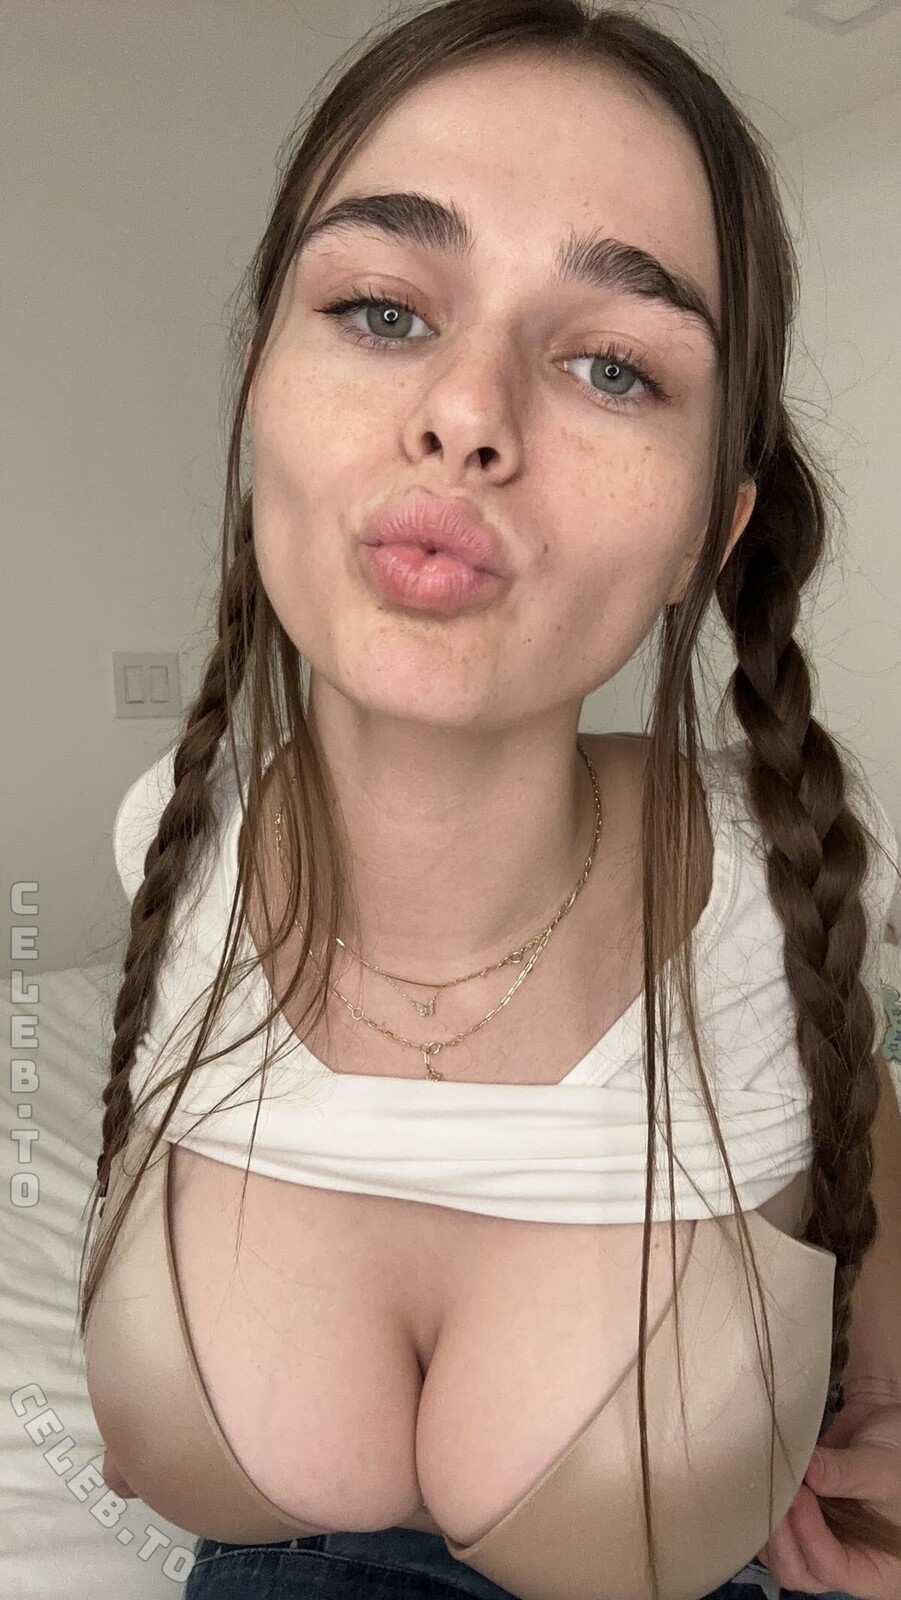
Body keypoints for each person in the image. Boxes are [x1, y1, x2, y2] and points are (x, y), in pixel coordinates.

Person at [79, 3, 901, 1598]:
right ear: (260, 391)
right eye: (382, 310)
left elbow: (859, 1119)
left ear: (706, 531)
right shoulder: (172, 842)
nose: (466, 413)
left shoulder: (766, 891)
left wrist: (888, 1410)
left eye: (613, 365)